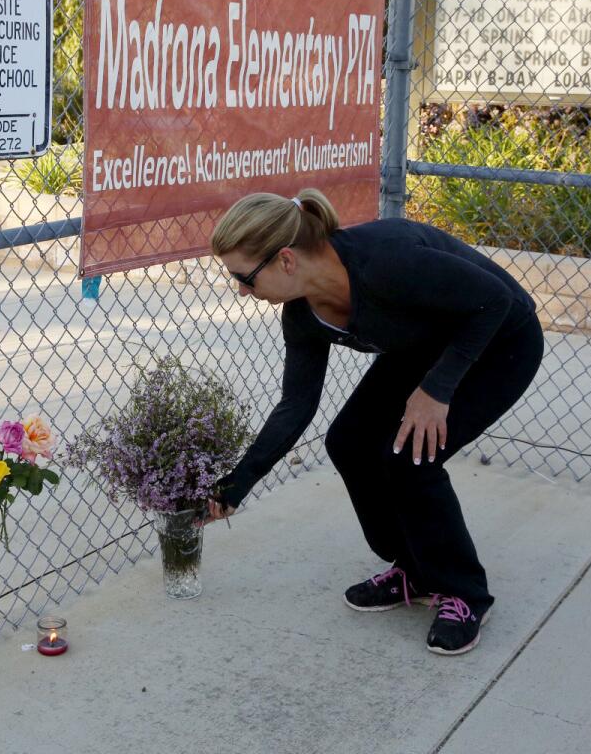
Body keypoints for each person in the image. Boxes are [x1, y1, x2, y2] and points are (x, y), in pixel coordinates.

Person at [204, 189, 543, 655]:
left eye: (243, 277)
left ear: (285, 260)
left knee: (411, 458)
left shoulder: (384, 261)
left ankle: (464, 593)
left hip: (499, 341)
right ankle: (416, 570)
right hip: (426, 345)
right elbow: (296, 406)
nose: (241, 289)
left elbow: (494, 302)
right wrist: (234, 487)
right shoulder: (303, 314)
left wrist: (436, 391)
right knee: (349, 441)